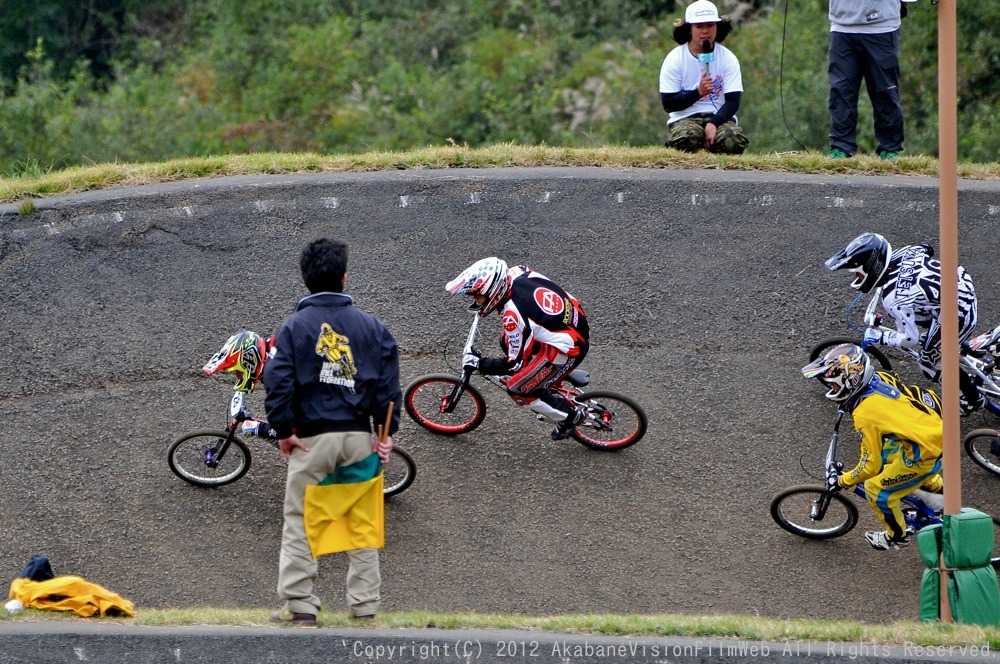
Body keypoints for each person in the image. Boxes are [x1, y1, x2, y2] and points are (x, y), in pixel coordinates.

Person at [263, 238, 401, 626]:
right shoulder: (373, 327)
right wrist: (384, 436)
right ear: (344, 277)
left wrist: (284, 430)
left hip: (311, 439)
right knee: (361, 520)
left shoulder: (292, 328)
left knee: (302, 520)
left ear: (305, 280)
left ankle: (301, 605)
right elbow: (388, 390)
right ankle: (365, 606)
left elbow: (279, 383)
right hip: (359, 438)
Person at [802, 343, 944, 550]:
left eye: (833, 385)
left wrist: (844, 480)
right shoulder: (879, 378)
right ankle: (936, 491)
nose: (830, 389)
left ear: (849, 381)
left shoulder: (865, 414)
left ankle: (897, 535)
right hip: (932, 430)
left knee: (876, 489)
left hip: (925, 452)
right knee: (888, 455)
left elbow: (870, 465)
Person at [825, 232, 983, 415]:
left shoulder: (893, 300)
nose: (857, 279)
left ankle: (971, 399)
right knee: (921, 317)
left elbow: (909, 338)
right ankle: (947, 343)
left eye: (858, 274)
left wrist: (880, 336)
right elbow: (925, 248)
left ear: (871, 267)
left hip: (958, 313)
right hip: (961, 287)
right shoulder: (905, 252)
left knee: (929, 361)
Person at [446, 257, 589, 440]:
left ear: (493, 292)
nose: (476, 301)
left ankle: (569, 417)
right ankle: (540, 375)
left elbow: (514, 364)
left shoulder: (513, 317)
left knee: (518, 389)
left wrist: (481, 365)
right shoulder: (518, 272)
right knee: (506, 340)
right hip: (574, 321)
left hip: (569, 347)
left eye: (478, 296)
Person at [658, 0, 749, 154]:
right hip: (685, 119)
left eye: (710, 25)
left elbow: (733, 102)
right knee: (688, 139)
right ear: (689, 30)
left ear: (717, 27)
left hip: (719, 118)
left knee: (733, 141)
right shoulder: (674, 59)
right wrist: (698, 93)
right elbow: (669, 103)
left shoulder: (728, 58)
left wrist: (713, 124)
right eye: (699, 26)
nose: (705, 31)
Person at [827, 0, 915, 160]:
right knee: (840, 91)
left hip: (882, 27)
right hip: (841, 25)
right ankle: (840, 147)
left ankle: (890, 149)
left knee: (885, 91)